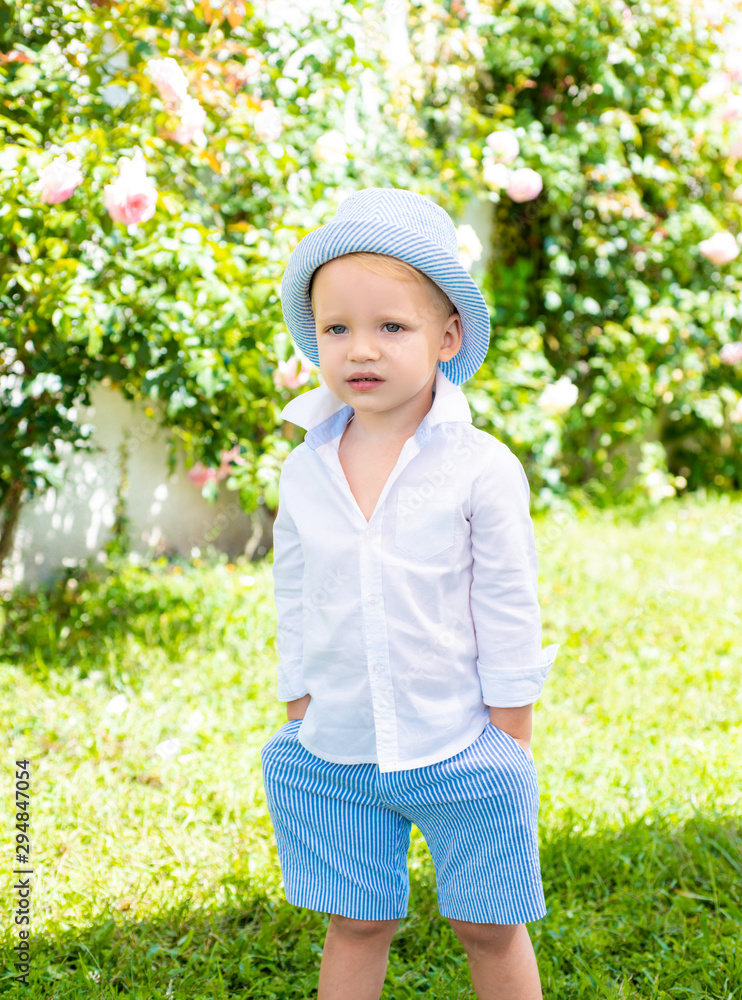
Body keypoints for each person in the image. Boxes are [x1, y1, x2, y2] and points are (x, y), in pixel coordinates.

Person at [261, 187, 561, 1000]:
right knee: (356, 922)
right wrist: (299, 701)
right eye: (336, 329)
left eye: (391, 327)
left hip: (460, 742)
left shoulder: (480, 467)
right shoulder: (305, 467)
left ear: (447, 336)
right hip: (339, 747)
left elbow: (507, 600)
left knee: (490, 925)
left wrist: (511, 734)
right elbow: (295, 587)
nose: (361, 349)